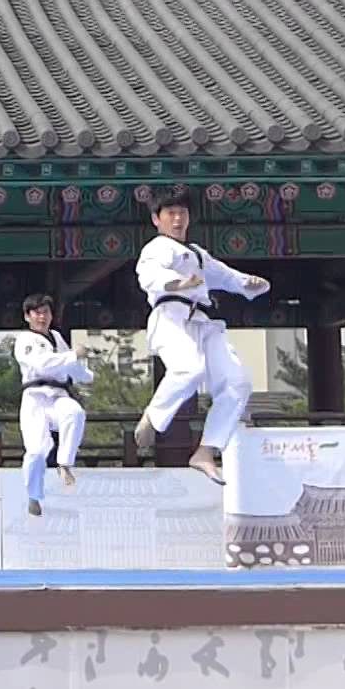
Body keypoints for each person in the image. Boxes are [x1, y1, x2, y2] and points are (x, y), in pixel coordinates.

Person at [134, 191, 270, 483]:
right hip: (171, 316)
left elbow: (224, 275)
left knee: (237, 383)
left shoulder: (196, 252)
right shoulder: (157, 247)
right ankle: (154, 416)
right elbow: (149, 276)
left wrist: (249, 284)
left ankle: (206, 451)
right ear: (156, 219)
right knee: (189, 370)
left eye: (182, 213)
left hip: (203, 321)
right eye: (170, 213)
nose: (178, 219)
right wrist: (178, 283)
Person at [13, 293, 93, 516]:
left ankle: (64, 464)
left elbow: (70, 366)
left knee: (74, 412)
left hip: (58, 396)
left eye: (46, 312)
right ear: (27, 316)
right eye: (37, 313)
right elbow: (42, 364)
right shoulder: (24, 340)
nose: (42, 317)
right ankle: (34, 496)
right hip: (35, 398)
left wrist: (87, 375)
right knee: (37, 451)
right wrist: (73, 355)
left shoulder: (56, 337)